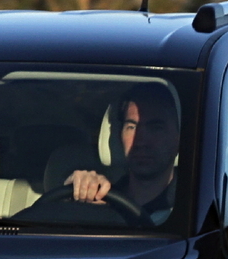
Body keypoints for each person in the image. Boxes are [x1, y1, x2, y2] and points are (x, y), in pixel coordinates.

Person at [21, 88, 180, 225]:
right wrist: (75, 198)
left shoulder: (196, 206)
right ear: (119, 136)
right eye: (131, 127)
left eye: (156, 128)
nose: (141, 141)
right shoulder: (96, 198)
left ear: (180, 136)